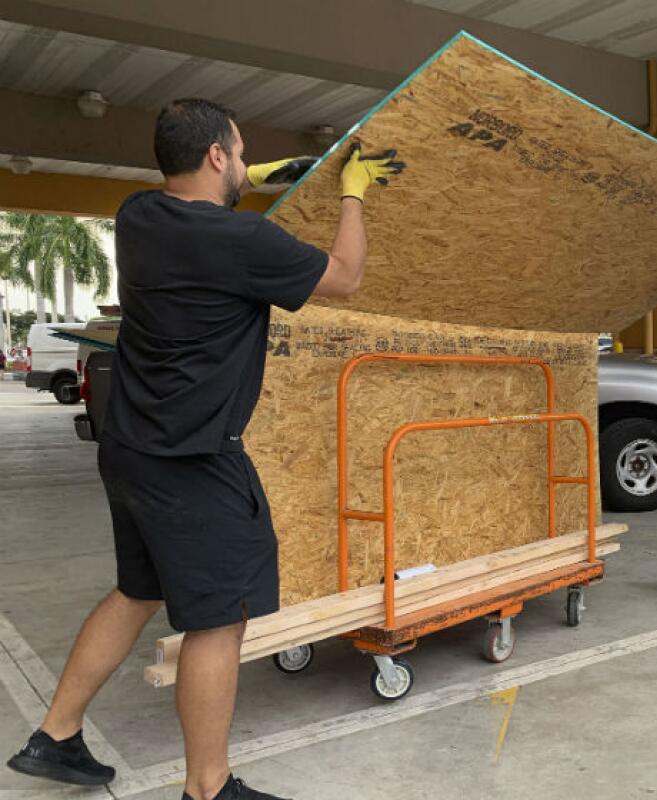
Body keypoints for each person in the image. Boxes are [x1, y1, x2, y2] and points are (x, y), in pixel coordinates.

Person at [6, 98, 403, 800]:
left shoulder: (137, 216)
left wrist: (280, 172)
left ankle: (56, 734)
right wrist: (350, 193)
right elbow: (344, 274)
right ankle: (209, 788)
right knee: (218, 619)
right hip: (194, 461)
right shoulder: (243, 243)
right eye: (241, 153)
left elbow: (214, 190)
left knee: (137, 590)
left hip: (129, 448)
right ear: (217, 156)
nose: (248, 166)